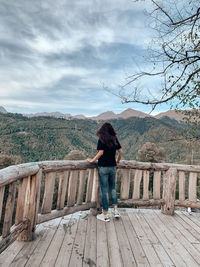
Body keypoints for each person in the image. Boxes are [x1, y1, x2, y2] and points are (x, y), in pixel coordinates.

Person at [86, 122, 123, 222]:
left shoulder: (101, 139)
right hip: (113, 167)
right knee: (113, 188)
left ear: (102, 130)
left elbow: (101, 152)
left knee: (104, 191)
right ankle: (116, 211)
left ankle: (105, 214)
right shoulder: (114, 139)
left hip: (103, 167)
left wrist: (92, 160)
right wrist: (118, 160)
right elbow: (121, 151)